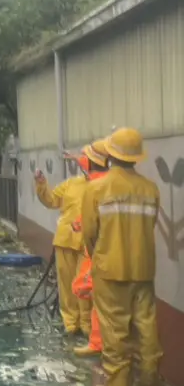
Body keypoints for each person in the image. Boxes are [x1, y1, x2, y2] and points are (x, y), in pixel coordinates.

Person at [80, 127, 162, 386]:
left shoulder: (96, 188)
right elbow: (150, 225)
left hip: (109, 270)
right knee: (146, 329)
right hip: (143, 270)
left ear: (110, 155)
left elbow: (89, 233)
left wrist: (100, 256)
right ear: (137, 157)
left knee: (115, 333)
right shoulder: (151, 189)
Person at [34, 146, 96, 335]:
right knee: (66, 283)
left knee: (84, 284)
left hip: (88, 243)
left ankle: (86, 324)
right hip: (65, 240)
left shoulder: (101, 186)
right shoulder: (71, 184)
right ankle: (71, 323)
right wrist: (41, 184)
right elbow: (51, 200)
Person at [69, 141, 110, 360]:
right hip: (117, 253)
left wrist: (79, 225)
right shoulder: (113, 182)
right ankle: (98, 341)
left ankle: (104, 346)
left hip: (100, 252)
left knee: (85, 288)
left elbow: (91, 222)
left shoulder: (96, 186)